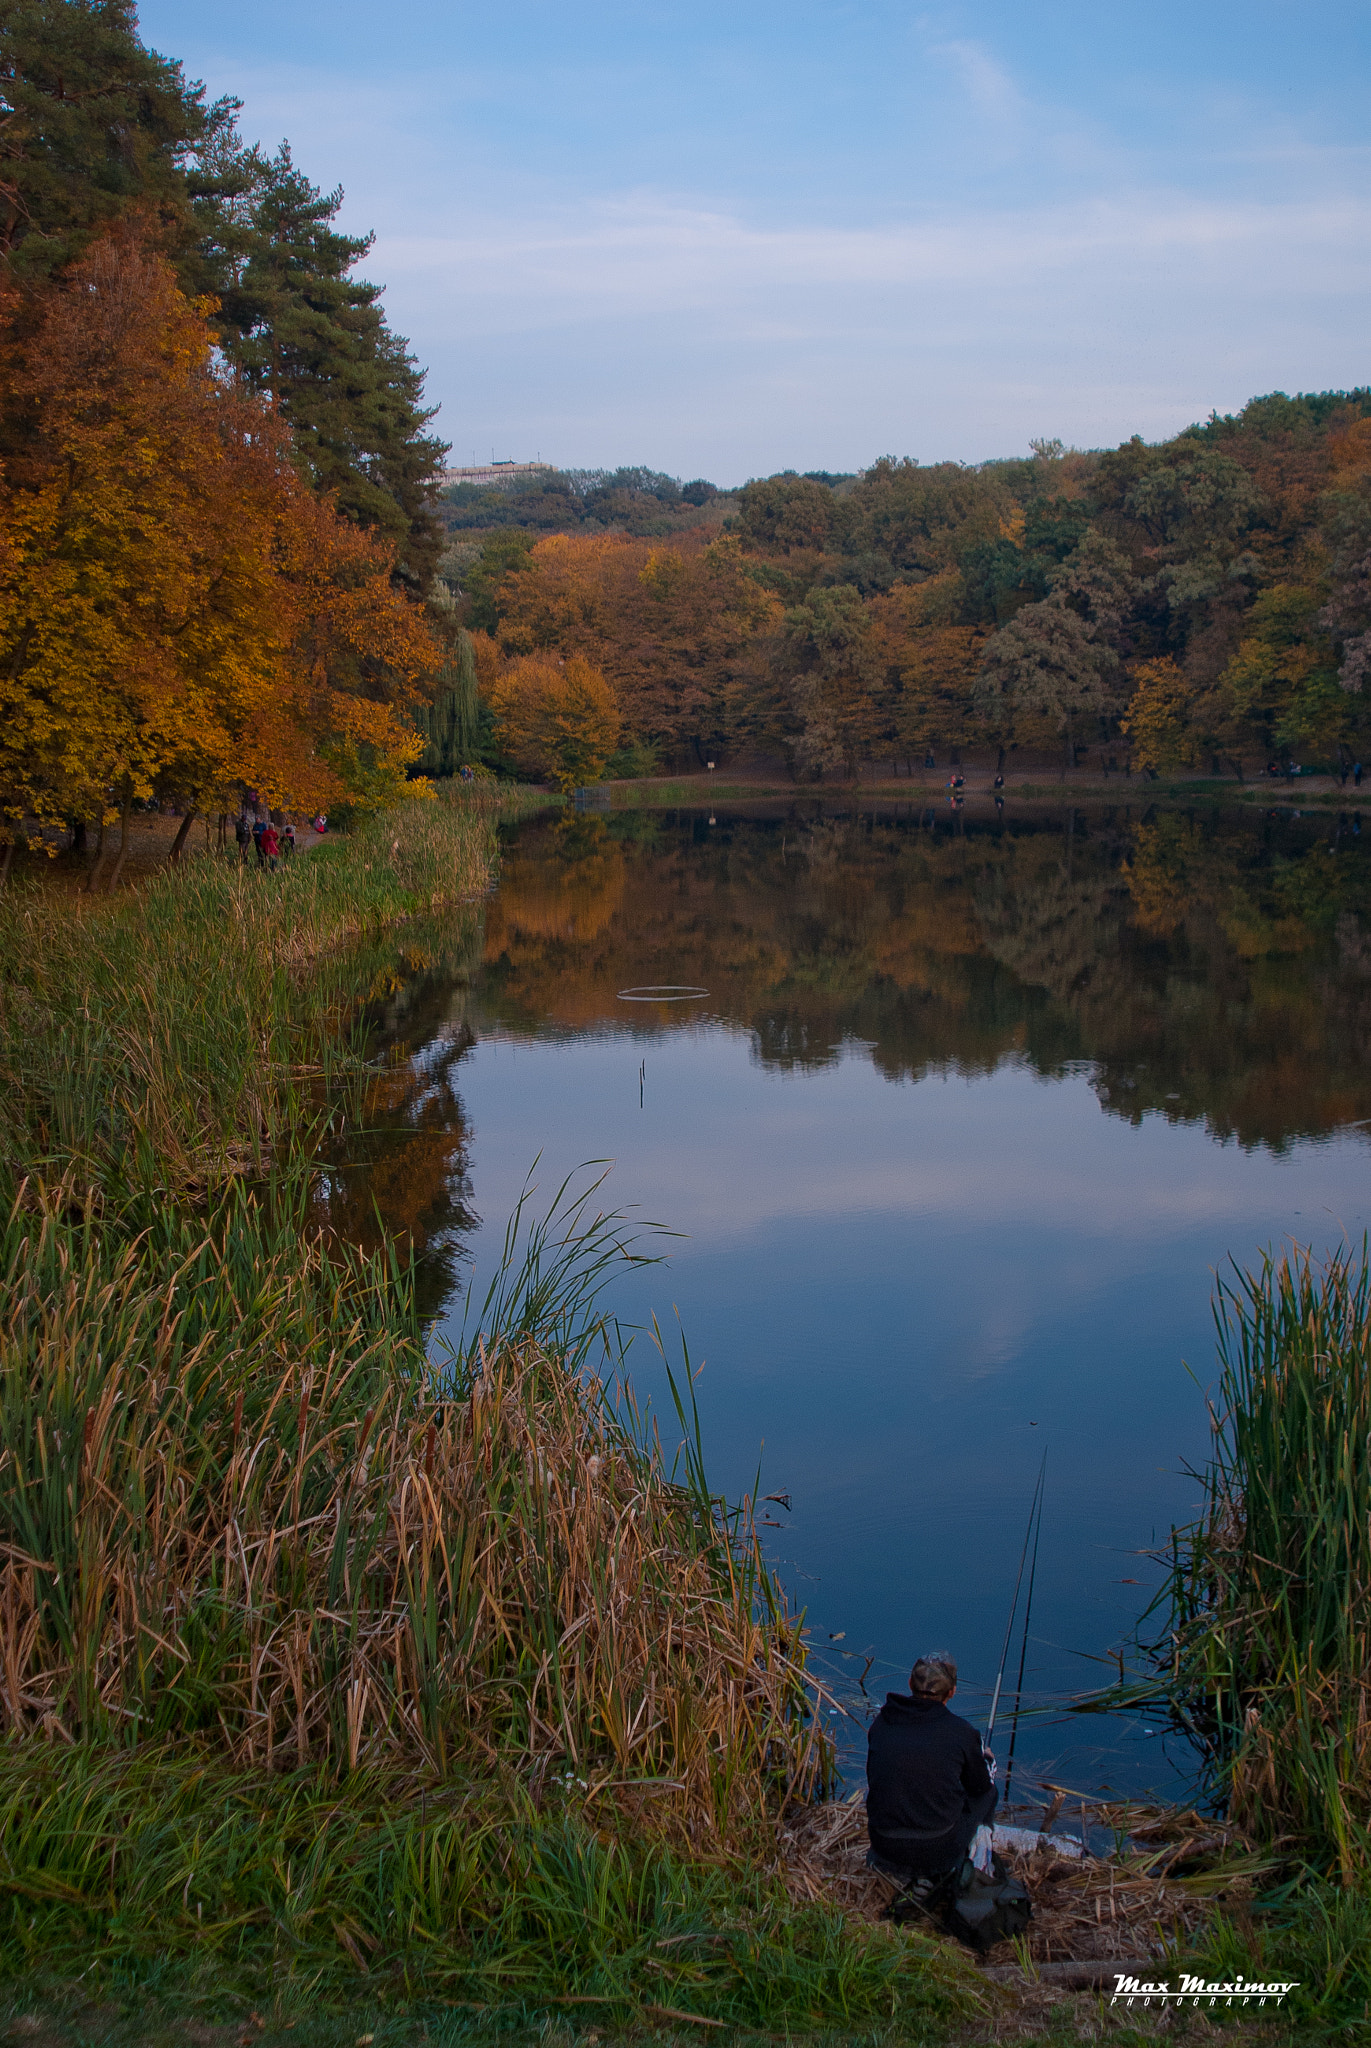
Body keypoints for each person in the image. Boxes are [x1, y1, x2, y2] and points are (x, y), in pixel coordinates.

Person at [866, 1653, 996, 1887]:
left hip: (883, 1844)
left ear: (909, 1684)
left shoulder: (881, 1723)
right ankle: (977, 1864)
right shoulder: (961, 1732)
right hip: (937, 1852)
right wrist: (986, 1761)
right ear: (952, 1692)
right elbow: (979, 1786)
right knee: (988, 1793)